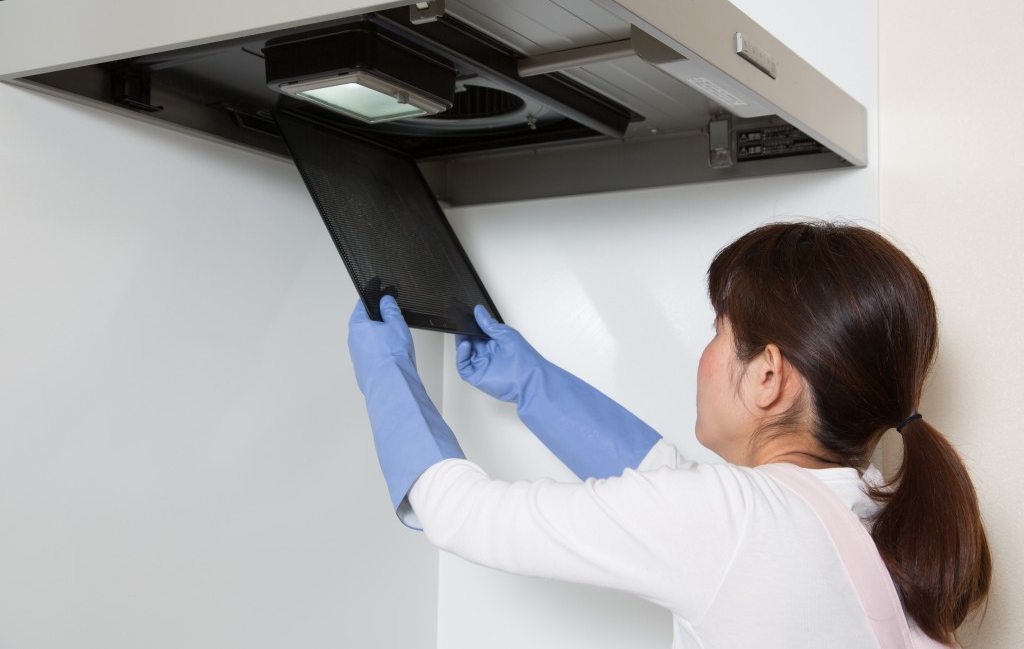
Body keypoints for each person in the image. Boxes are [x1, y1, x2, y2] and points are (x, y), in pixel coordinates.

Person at [347, 221, 991, 648]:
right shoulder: (872, 510)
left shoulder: (734, 522)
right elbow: (675, 487)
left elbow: (466, 515)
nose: (705, 354)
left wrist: (387, 373)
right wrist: (534, 385)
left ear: (768, 376)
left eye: (718, 330)